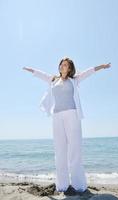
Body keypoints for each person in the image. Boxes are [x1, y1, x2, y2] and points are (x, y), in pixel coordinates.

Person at [23, 57, 111, 193]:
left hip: (72, 115)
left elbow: (89, 72)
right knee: (59, 151)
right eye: (61, 65)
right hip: (57, 116)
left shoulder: (75, 80)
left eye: (65, 65)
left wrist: (102, 66)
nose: (62, 67)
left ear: (69, 68)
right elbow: (41, 74)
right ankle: (62, 185)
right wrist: (30, 70)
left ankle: (79, 185)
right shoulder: (53, 79)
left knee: (75, 149)